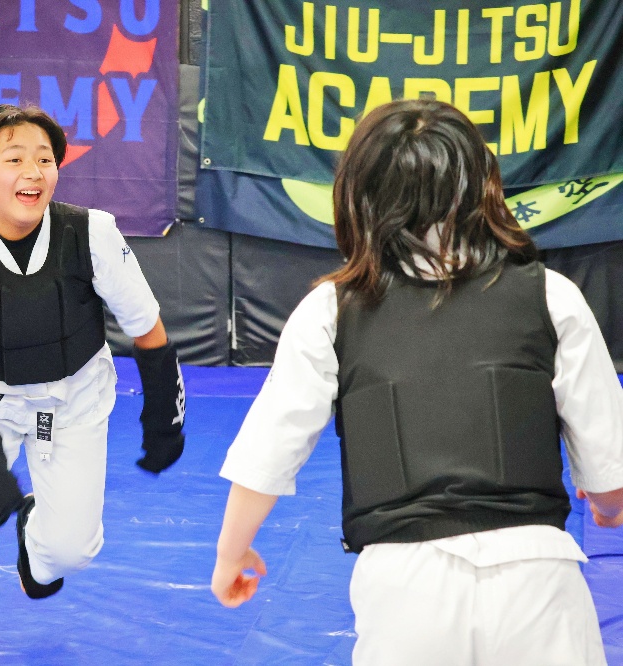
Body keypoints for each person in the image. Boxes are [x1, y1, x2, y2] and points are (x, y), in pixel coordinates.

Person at [211, 99, 623, 665]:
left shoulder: (331, 310)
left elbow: (270, 449)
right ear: (484, 186)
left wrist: (230, 555)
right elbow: (611, 473)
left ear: (358, 193)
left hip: (405, 586)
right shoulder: (551, 295)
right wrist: (607, 507)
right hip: (538, 578)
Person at [0, 104, 186, 666]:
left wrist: (165, 415)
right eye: (14, 160)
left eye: (45, 159)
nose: (34, 172)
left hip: (75, 401)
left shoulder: (92, 233)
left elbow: (146, 327)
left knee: (68, 553)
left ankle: (33, 542)